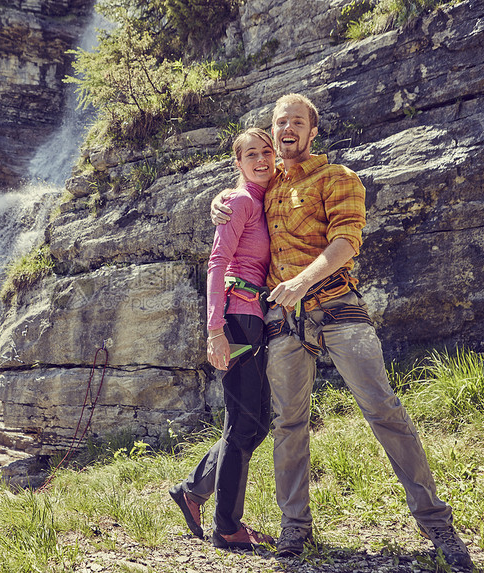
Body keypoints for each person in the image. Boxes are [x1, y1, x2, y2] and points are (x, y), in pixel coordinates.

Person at [210, 94, 473, 569]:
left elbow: (346, 241)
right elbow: (239, 197)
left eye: (296, 122)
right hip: (283, 321)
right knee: (289, 423)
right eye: (278, 123)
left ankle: (437, 524)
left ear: (313, 131)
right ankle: (295, 529)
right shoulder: (267, 187)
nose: (286, 129)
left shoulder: (339, 178)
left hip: (337, 305)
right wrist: (221, 200)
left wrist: (302, 281)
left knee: (383, 409)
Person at [169, 128, 276, 551]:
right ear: (238, 163)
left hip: (255, 321)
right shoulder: (240, 201)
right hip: (236, 320)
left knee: (256, 421)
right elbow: (217, 264)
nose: (262, 159)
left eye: (267, 151)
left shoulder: (263, 200)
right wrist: (214, 331)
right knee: (242, 424)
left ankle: (194, 491)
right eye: (251, 154)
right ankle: (227, 526)